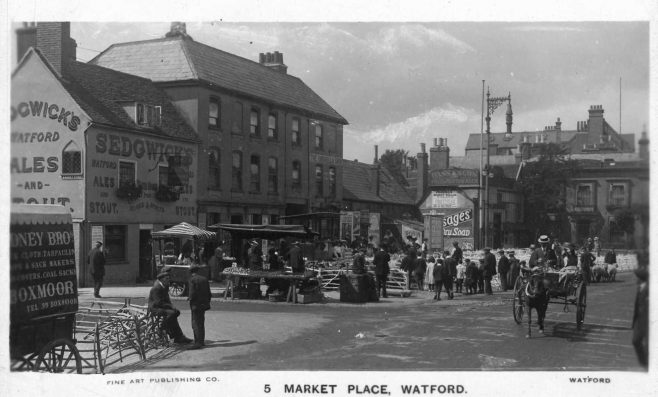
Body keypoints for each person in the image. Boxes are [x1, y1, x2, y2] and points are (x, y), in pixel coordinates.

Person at [148, 269, 192, 344]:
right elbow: (158, 302)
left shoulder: (165, 286)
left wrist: (172, 306)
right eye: (166, 279)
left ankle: (177, 336)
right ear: (162, 279)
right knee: (172, 314)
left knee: (176, 312)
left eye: (169, 279)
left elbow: (167, 299)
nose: (168, 280)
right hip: (155, 308)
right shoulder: (156, 288)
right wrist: (170, 307)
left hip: (161, 307)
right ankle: (162, 328)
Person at [187, 263, 211, 349]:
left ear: (190, 272)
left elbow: (192, 293)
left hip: (195, 305)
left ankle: (197, 342)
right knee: (201, 322)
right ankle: (201, 341)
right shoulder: (204, 279)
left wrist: (189, 299)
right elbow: (209, 293)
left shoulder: (192, 280)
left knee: (195, 323)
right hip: (203, 304)